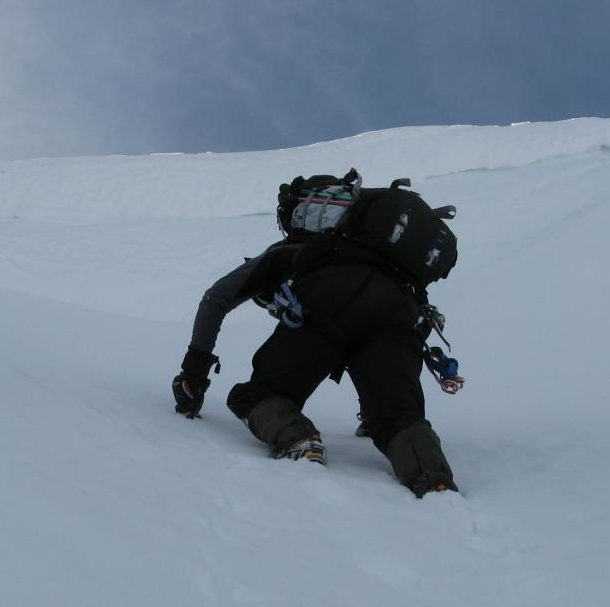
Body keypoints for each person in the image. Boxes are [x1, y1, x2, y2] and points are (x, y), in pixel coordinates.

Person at [172, 175, 459, 498]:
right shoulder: (389, 260)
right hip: (404, 312)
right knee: (400, 419)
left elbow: (217, 297)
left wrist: (194, 371)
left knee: (258, 395)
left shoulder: (305, 247)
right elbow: (372, 344)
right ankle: (433, 478)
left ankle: (298, 439)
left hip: (331, 300)